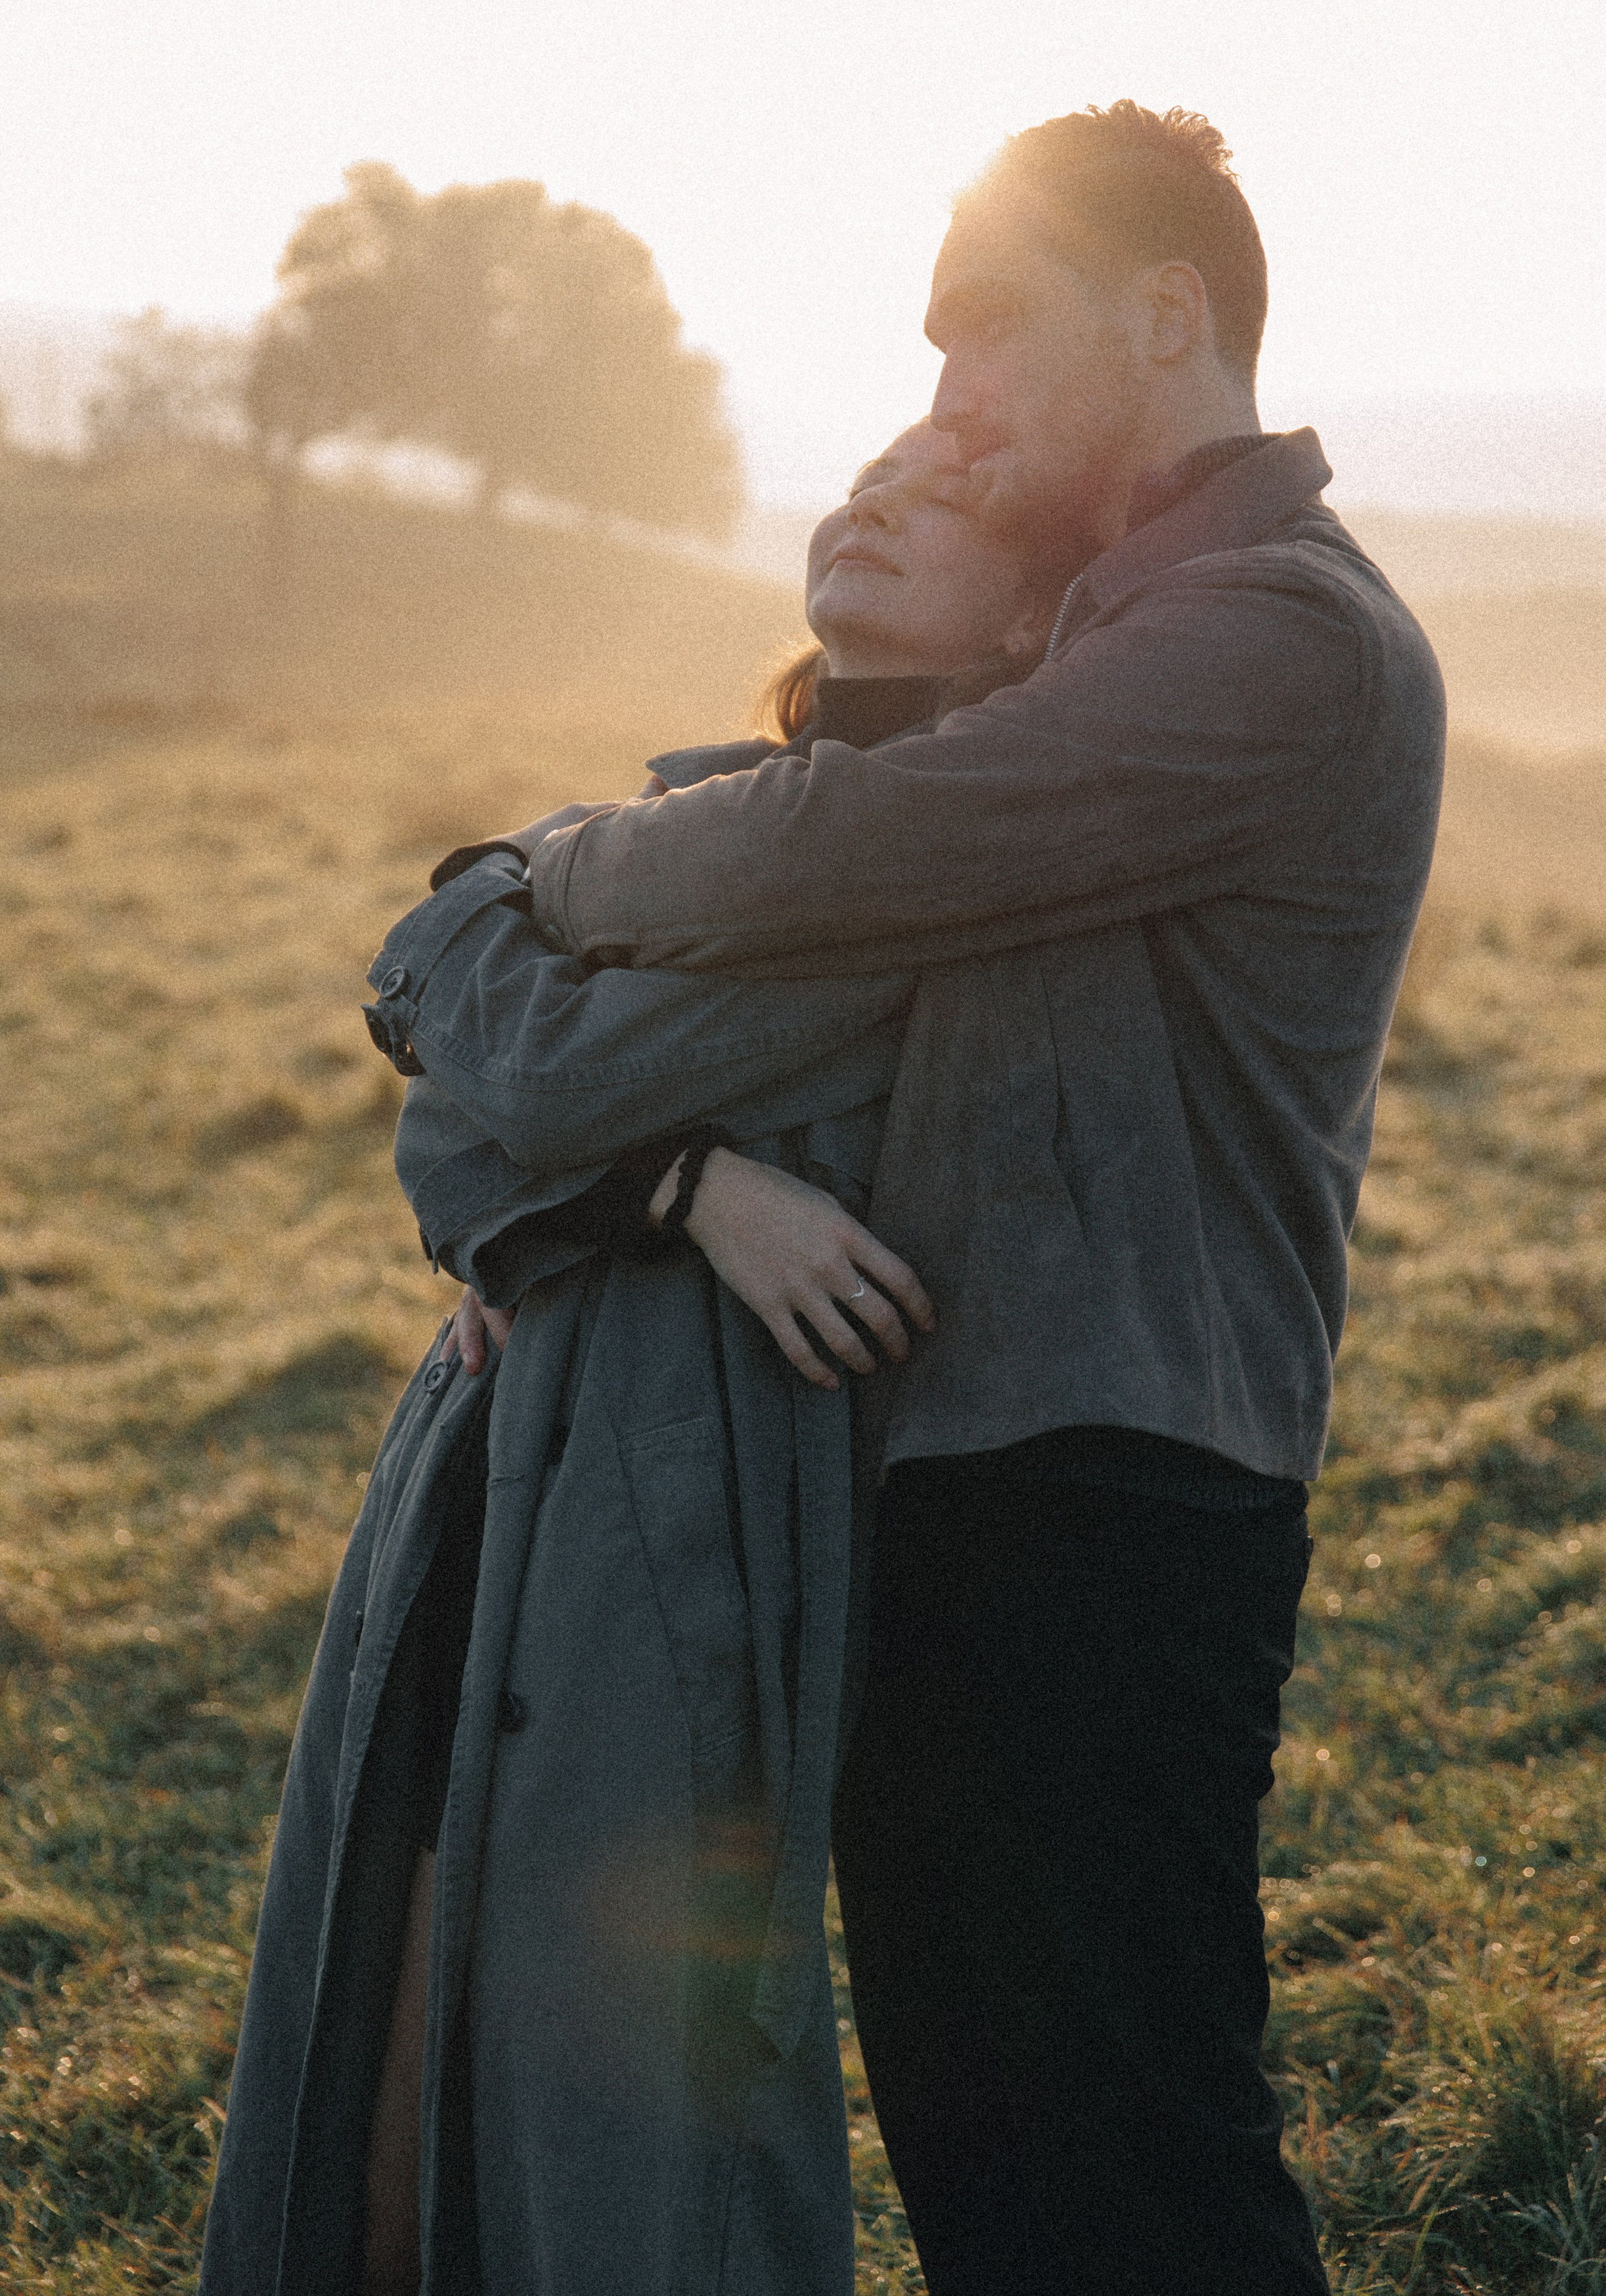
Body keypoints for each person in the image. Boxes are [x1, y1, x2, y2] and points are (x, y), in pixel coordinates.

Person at [504, 102, 1448, 2294]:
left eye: (989, 332)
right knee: (997, 2164)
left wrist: (551, 864)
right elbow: (541, 1021)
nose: (945, 401)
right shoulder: (1082, 640)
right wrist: (648, 1159)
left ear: (1169, 315)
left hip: (1116, 1507)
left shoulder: (1282, 639)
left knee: (1131, 2172)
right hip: (942, 1490)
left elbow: (842, 847)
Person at [197, 422, 1058, 2296]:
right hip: (492, 1448)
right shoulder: (706, 818)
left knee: (618, 2108)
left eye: (951, 501)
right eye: (870, 477)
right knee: (384, 2019)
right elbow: (450, 1124)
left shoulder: (936, 871)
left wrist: (529, 1043)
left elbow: (519, 1069)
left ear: (1024, 637)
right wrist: (681, 1188)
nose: (880, 501)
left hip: (682, 1498)